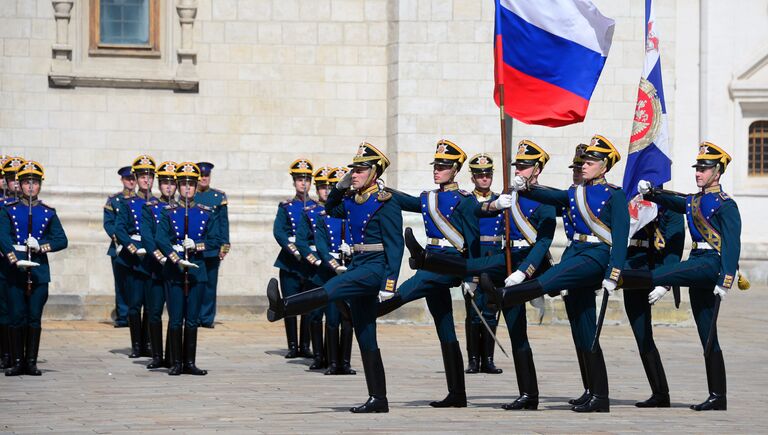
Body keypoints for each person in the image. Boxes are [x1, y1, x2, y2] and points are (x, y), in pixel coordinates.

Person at [478, 135, 629, 413]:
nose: (584, 165)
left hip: (596, 256)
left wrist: (614, 271)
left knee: (552, 278)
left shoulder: (614, 195)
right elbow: (551, 195)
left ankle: (504, 295)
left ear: (604, 166)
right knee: (584, 331)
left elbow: (621, 237)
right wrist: (525, 188)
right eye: (584, 161)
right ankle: (597, 395)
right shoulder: (576, 193)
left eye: (591, 161)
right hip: (578, 254)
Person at [402, 141, 557, 410]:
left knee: (517, 331)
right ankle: (428, 259)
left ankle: (529, 395)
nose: (519, 170)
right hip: (501, 258)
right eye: (517, 165)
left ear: (537, 169)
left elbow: (542, 243)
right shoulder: (508, 195)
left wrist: (524, 272)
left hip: (520, 265)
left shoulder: (546, 199)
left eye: (525, 166)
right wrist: (495, 204)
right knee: (470, 268)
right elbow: (477, 212)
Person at [266, 142, 407, 413]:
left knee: (335, 286)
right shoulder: (354, 200)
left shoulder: (385, 202)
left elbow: (395, 246)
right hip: (359, 262)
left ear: (374, 172)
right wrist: (341, 186)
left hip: (373, 267)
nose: (354, 173)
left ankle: (284, 307)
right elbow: (331, 208)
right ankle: (378, 398)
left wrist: (389, 284)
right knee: (366, 334)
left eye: (360, 169)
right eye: (353, 169)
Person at [622, 142, 743, 411]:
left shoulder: (726, 205)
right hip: (698, 261)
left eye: (704, 168)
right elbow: (675, 201)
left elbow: (732, 246)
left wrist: (726, 280)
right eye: (698, 168)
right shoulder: (694, 200)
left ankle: (622, 279)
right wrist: (651, 193)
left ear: (718, 171)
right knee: (707, 333)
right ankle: (718, 396)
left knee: (669, 273)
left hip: (711, 264)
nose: (699, 172)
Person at [375, 139, 478, 408]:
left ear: (455, 170)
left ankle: (371, 311)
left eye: (443, 166)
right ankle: (457, 394)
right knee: (444, 327)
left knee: (412, 287)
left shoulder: (465, 201)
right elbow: (403, 200)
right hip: (431, 259)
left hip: (449, 262)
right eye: (436, 166)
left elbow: (473, 240)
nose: (437, 170)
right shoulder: (428, 198)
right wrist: (377, 186)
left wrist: (472, 276)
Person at [1, 160, 68, 376]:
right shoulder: (8, 210)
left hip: (38, 270)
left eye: (35, 182)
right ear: (19, 185)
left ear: (40, 185)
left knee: (34, 317)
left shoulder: (48, 212)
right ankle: (17, 361)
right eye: (27, 182)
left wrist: (42, 246)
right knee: (16, 316)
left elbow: (61, 239)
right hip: (16, 269)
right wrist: (14, 258)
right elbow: (2, 236)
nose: (31, 186)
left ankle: (31, 362)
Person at [156, 162, 218, 376]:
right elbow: (160, 239)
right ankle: (175, 362)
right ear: (178, 187)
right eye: (183, 184)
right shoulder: (168, 212)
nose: (188, 188)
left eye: (191, 184)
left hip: (197, 270)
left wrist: (198, 245)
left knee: (192, 319)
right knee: (175, 319)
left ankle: (189, 362)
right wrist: (175, 258)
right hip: (175, 272)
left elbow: (215, 239)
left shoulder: (206, 212)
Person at [311, 167, 356, 375]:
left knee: (348, 318)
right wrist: (333, 263)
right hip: (332, 270)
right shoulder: (323, 216)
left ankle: (345, 362)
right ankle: (332, 362)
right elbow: (320, 244)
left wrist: (353, 249)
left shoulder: (354, 211)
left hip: (351, 268)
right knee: (331, 318)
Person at [272, 159, 317, 359]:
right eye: (299, 179)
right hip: (290, 263)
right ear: (294, 182)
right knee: (289, 303)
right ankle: (292, 345)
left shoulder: (317, 208)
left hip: (310, 264)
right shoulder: (286, 207)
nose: (303, 183)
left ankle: (305, 345)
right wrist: (294, 249)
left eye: (306, 179)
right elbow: (279, 231)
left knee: (308, 304)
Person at [462, 153, 503, 376]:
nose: (484, 179)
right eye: (480, 175)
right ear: (473, 178)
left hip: (494, 255)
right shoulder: (467, 201)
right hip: (474, 256)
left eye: (487, 174)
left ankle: (488, 359)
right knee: (473, 310)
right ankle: (473, 360)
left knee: (490, 308)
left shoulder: (500, 200)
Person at [114, 155, 158, 358]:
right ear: (137, 179)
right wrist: (132, 248)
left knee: (150, 305)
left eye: (149, 176)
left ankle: (148, 343)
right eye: (142, 177)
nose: (146, 180)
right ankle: (136, 345)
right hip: (133, 260)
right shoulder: (127, 202)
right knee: (134, 305)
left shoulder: (159, 204)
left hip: (151, 260)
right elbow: (119, 229)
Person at [140, 161, 179, 369]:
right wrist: (161, 256)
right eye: (164, 183)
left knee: (174, 314)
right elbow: (147, 236)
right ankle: (157, 355)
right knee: (154, 312)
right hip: (156, 266)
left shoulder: (183, 209)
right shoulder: (151, 208)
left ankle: (173, 354)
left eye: (172, 183)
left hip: (175, 269)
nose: (168, 187)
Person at [194, 162, 229, 329]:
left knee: (210, 284)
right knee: (196, 283)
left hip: (213, 246)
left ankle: (207, 318)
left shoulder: (218, 197)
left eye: (206, 176)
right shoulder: (190, 196)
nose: (203, 179)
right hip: (196, 246)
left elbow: (224, 223)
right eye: (200, 176)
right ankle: (195, 315)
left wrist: (225, 244)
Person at [0, 156, 25, 370]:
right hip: (3, 260)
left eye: (19, 179)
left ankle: (13, 354)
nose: (15, 183)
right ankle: (4, 353)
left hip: (19, 263)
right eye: (11, 178)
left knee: (14, 310)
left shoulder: (26, 206)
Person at [103, 166, 135, 328]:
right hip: (119, 248)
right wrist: (120, 240)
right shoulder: (114, 201)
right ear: (122, 180)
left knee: (135, 283)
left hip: (138, 248)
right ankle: (123, 316)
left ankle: (134, 315)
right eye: (127, 178)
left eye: (133, 178)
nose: (131, 181)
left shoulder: (142, 200)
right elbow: (109, 223)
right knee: (121, 283)